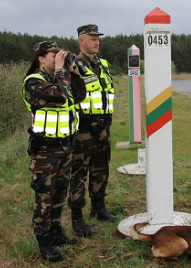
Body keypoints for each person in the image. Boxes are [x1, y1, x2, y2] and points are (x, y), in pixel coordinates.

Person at [22, 41, 86, 262]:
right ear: (40, 58)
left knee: (60, 192)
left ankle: (57, 233)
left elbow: (79, 95)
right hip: (46, 151)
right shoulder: (33, 82)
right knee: (44, 197)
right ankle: (44, 242)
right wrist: (60, 70)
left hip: (65, 146)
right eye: (53, 54)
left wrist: (71, 70)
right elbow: (59, 95)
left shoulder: (60, 78)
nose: (57, 57)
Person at [68, 24, 117, 237]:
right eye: (92, 38)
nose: (97, 42)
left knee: (100, 168)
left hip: (103, 128)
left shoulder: (103, 65)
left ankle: (98, 208)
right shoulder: (73, 66)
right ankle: (77, 217)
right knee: (78, 172)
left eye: (98, 38)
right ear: (81, 40)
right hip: (83, 130)